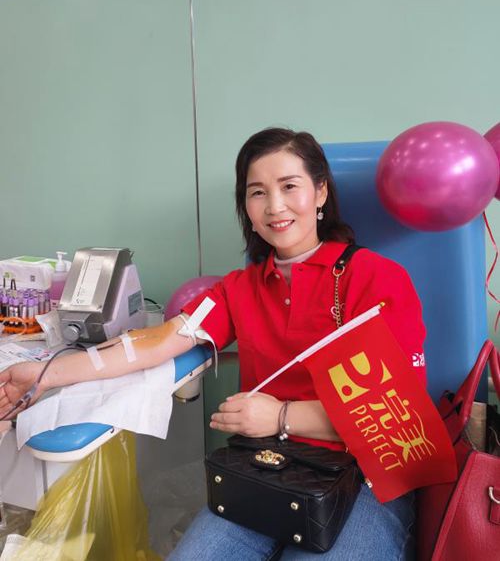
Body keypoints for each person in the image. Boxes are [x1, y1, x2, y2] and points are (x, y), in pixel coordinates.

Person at [0, 128, 425, 560]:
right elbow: (152, 344)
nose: (274, 206)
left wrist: (281, 416)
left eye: (289, 186)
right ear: (246, 208)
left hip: (366, 475)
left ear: (320, 193)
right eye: (257, 192)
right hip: (269, 467)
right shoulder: (238, 289)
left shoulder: (375, 278)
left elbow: (396, 421)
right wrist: (41, 374)